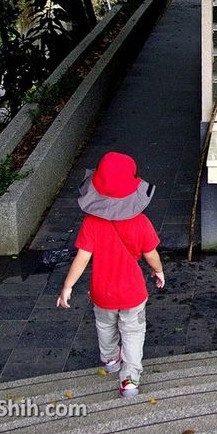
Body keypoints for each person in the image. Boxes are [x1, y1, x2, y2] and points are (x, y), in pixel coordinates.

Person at [56, 151, 164, 397]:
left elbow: (82, 258)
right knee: (133, 332)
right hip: (133, 293)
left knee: (105, 326)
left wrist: (67, 287)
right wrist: (158, 271)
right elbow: (151, 254)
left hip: (101, 291)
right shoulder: (141, 222)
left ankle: (110, 360)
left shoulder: (91, 223)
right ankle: (130, 379)